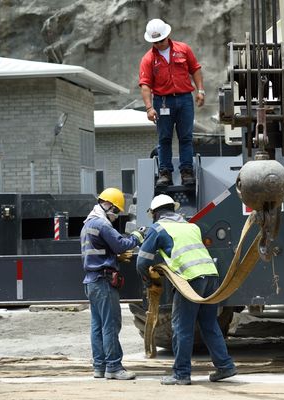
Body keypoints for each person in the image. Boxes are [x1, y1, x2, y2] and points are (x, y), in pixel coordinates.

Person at [136, 194, 237, 385]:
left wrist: (149, 282)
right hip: (210, 275)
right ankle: (225, 366)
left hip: (190, 280)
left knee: (182, 327)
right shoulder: (191, 226)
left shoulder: (157, 228)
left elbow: (142, 261)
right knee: (209, 324)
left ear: (155, 214)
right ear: (173, 209)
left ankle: (181, 374)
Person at [80, 188, 145, 380]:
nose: (116, 217)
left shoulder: (87, 225)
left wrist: (113, 256)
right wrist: (138, 236)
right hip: (104, 282)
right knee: (110, 325)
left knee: (97, 326)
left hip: (92, 282)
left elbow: (101, 250)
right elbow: (122, 244)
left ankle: (99, 367)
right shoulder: (102, 224)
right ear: (108, 205)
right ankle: (114, 368)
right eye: (116, 212)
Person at [139, 18, 206, 187]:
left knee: (186, 137)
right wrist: (149, 108)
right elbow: (145, 85)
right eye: (155, 41)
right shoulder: (148, 59)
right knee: (164, 138)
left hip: (184, 99)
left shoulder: (183, 50)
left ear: (168, 35)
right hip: (163, 102)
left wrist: (201, 90)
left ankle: (186, 171)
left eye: (161, 40)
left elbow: (195, 69)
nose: (159, 44)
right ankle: (165, 172)